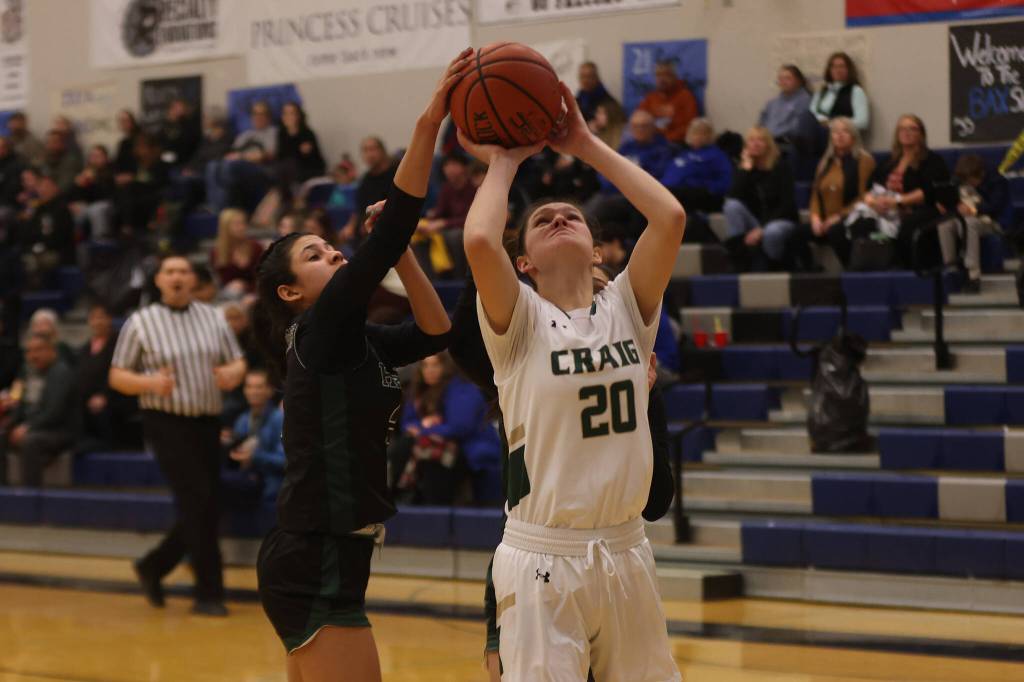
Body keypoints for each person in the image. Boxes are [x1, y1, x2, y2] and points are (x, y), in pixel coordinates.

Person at [252, 50, 467, 682]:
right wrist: (432, 120)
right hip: (315, 554)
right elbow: (398, 216)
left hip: (328, 551)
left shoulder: (351, 340)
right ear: (292, 292)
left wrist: (401, 259)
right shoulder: (320, 328)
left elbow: (437, 331)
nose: (334, 253)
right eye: (316, 255)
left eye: (329, 245)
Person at [459, 80, 684, 681]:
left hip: (627, 551)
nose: (560, 216)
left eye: (572, 216)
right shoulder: (521, 322)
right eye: (543, 220)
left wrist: (586, 143)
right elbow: (480, 239)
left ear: (596, 251)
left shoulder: (627, 311)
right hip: (543, 558)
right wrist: (504, 161)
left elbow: (669, 216)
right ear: (524, 264)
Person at [109, 253, 247, 617]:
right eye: (169, 271)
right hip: (165, 420)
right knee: (199, 500)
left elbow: (237, 360)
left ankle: (154, 565)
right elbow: (118, 376)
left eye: (183, 271)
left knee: (207, 505)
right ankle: (209, 593)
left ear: (193, 280)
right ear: (158, 281)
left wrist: (233, 373)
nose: (176, 277)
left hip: (208, 420)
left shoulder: (214, 317)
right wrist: (150, 382)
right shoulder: (140, 322)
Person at [392, 352, 500, 505]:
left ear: (446, 366)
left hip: (471, 450)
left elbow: (460, 428)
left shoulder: (462, 388)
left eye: (435, 365)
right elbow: (407, 425)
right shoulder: (418, 389)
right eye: (425, 365)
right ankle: (402, 498)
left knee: (433, 454)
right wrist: (424, 425)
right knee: (405, 446)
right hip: (440, 447)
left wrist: (424, 430)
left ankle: (433, 508)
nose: (430, 370)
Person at [859, 114, 949, 268]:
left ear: (921, 134)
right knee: (856, 225)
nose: (906, 132)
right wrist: (874, 203)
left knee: (909, 224)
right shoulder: (888, 162)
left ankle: (907, 269)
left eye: (912, 129)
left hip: (921, 209)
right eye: (902, 129)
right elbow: (868, 189)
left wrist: (897, 201)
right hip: (886, 209)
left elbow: (929, 191)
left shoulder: (932, 160)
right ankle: (868, 270)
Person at [0, 332, 78, 486]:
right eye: (29, 351)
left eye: (38, 350)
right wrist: (9, 425)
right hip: (34, 428)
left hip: (59, 430)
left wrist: (27, 428)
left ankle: (31, 496)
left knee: (31, 442)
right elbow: (20, 406)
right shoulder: (28, 372)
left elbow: (54, 412)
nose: (33, 355)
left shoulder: (61, 373)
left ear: (52, 351)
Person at [586, 110, 674, 239]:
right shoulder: (626, 147)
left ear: (652, 127)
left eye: (644, 126)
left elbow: (654, 179)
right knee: (586, 208)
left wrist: (624, 182)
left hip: (638, 197)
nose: (640, 130)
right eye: (636, 126)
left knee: (596, 211)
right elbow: (607, 170)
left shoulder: (662, 149)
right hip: (613, 192)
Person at [802, 117, 876, 267]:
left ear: (853, 136)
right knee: (795, 234)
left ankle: (850, 270)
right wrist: (815, 218)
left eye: (845, 131)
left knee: (836, 231)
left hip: (851, 216)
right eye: (835, 132)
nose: (840, 135)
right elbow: (815, 195)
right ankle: (810, 271)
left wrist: (839, 216)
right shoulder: (825, 162)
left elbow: (864, 196)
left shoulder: (864, 160)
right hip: (824, 220)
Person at [722, 126, 798, 271]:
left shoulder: (781, 167)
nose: (755, 144)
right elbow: (732, 197)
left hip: (780, 220)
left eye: (760, 140)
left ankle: (773, 266)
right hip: (755, 221)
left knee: (772, 232)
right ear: (746, 145)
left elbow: (787, 205)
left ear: (768, 145)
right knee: (731, 206)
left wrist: (761, 229)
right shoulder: (745, 169)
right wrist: (745, 169)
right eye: (751, 140)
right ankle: (740, 258)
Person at [937, 153, 1012, 293]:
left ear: (981, 174)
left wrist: (973, 209)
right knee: (944, 225)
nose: (969, 184)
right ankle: (951, 268)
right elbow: (953, 201)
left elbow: (995, 207)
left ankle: (973, 275)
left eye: (971, 180)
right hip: (965, 218)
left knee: (969, 223)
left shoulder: (997, 181)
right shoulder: (959, 182)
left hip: (992, 221)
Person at [76, 302, 135, 451]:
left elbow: (120, 371)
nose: (97, 322)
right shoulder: (84, 348)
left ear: (110, 319)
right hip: (88, 399)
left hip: (116, 397)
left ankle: (109, 447)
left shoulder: (119, 343)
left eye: (101, 317)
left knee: (102, 410)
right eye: (94, 318)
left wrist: (104, 396)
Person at [206, 101, 278, 213]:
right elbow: (231, 154)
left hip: (260, 169)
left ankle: (225, 210)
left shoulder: (273, 132)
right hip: (237, 167)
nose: (257, 117)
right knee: (212, 165)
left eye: (261, 114)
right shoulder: (245, 135)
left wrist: (242, 156)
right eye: (255, 114)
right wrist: (234, 157)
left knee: (230, 167)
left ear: (268, 117)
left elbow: (267, 154)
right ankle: (216, 209)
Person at [227, 368, 285, 506]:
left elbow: (285, 460)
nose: (254, 392)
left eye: (259, 387)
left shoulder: (279, 419)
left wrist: (254, 456)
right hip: (247, 477)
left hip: (271, 480)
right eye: (249, 386)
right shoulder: (242, 419)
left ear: (270, 390)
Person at [660, 117, 733, 214]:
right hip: (671, 191)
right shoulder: (683, 154)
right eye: (695, 132)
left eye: (703, 133)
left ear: (710, 135)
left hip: (697, 194)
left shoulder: (717, 156)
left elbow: (725, 181)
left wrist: (708, 188)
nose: (698, 136)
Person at [20, 174, 75, 289]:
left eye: (46, 186)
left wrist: (40, 245)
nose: (43, 189)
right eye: (40, 186)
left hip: (58, 253)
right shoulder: (38, 209)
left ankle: (33, 295)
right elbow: (28, 234)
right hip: (37, 249)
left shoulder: (62, 208)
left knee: (29, 262)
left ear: (55, 188)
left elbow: (60, 238)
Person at [339, 136, 397, 243]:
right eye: (365, 150)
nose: (369, 154)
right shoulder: (365, 180)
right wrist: (350, 227)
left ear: (382, 151)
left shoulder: (397, 172)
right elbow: (359, 209)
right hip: (372, 227)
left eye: (373, 149)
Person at [636, 60, 699, 144]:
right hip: (651, 142)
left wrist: (667, 138)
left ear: (674, 77)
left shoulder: (685, 96)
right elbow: (638, 120)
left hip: (676, 143)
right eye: (658, 75)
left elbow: (691, 126)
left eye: (666, 75)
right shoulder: (650, 98)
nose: (662, 79)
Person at [809, 52, 870, 133]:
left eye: (842, 66)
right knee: (805, 117)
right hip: (818, 130)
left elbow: (863, 122)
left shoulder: (856, 91)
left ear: (849, 69)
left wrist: (832, 124)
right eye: (834, 67)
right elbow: (812, 111)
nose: (838, 70)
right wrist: (822, 120)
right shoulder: (823, 90)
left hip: (840, 133)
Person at [211, 208, 265, 297]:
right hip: (229, 294)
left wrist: (246, 287)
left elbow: (263, 277)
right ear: (225, 228)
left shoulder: (256, 247)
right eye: (236, 224)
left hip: (255, 293)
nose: (241, 227)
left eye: (243, 223)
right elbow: (219, 282)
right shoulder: (216, 252)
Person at [69, 144, 117, 240]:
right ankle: (74, 240)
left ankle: (100, 241)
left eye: (98, 156)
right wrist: (78, 186)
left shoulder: (110, 172)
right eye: (92, 156)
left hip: (107, 204)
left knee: (96, 210)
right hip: (88, 204)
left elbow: (106, 193)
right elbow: (73, 195)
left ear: (105, 158)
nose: (94, 159)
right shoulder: (85, 172)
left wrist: (94, 180)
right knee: (75, 209)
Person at [276, 102, 326, 191]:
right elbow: (281, 156)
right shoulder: (281, 134)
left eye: (291, 113)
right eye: (285, 113)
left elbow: (309, 159)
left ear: (298, 115)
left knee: (290, 168)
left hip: (309, 169)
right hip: (288, 171)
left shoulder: (307, 134)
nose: (288, 117)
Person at [160, 98, 201, 169]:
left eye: (180, 108)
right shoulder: (167, 124)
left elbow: (188, 143)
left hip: (184, 158)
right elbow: (161, 140)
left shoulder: (190, 125)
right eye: (175, 108)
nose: (178, 110)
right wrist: (171, 122)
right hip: (167, 156)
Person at [41, 129, 82, 194]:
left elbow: (64, 186)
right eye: (49, 142)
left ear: (62, 144)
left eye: (54, 142)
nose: (51, 145)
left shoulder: (70, 161)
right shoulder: (44, 158)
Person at [113, 109, 141, 176]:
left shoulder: (142, 140)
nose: (123, 124)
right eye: (121, 121)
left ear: (132, 121)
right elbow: (118, 163)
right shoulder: (123, 143)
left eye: (125, 121)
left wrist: (132, 176)